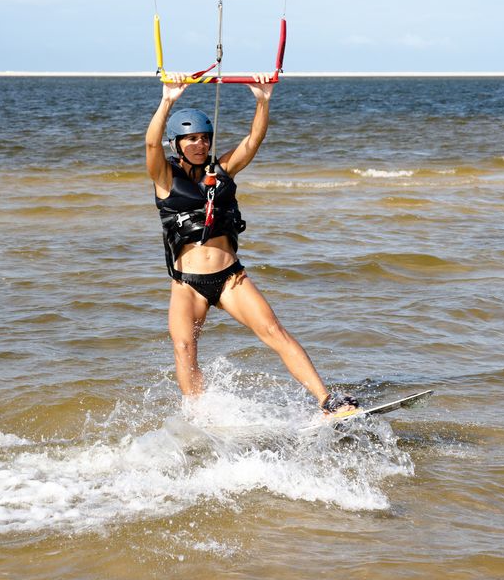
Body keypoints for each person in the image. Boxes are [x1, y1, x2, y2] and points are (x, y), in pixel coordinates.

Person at [145, 74, 357, 416]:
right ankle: (198, 416)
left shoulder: (223, 170)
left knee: (274, 331)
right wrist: (167, 100)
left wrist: (263, 100)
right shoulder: (164, 179)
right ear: (177, 144)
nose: (200, 145)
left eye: (205, 139)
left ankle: (327, 402)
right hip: (188, 286)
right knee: (184, 348)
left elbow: (254, 139)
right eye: (191, 139)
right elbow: (151, 145)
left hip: (231, 278)